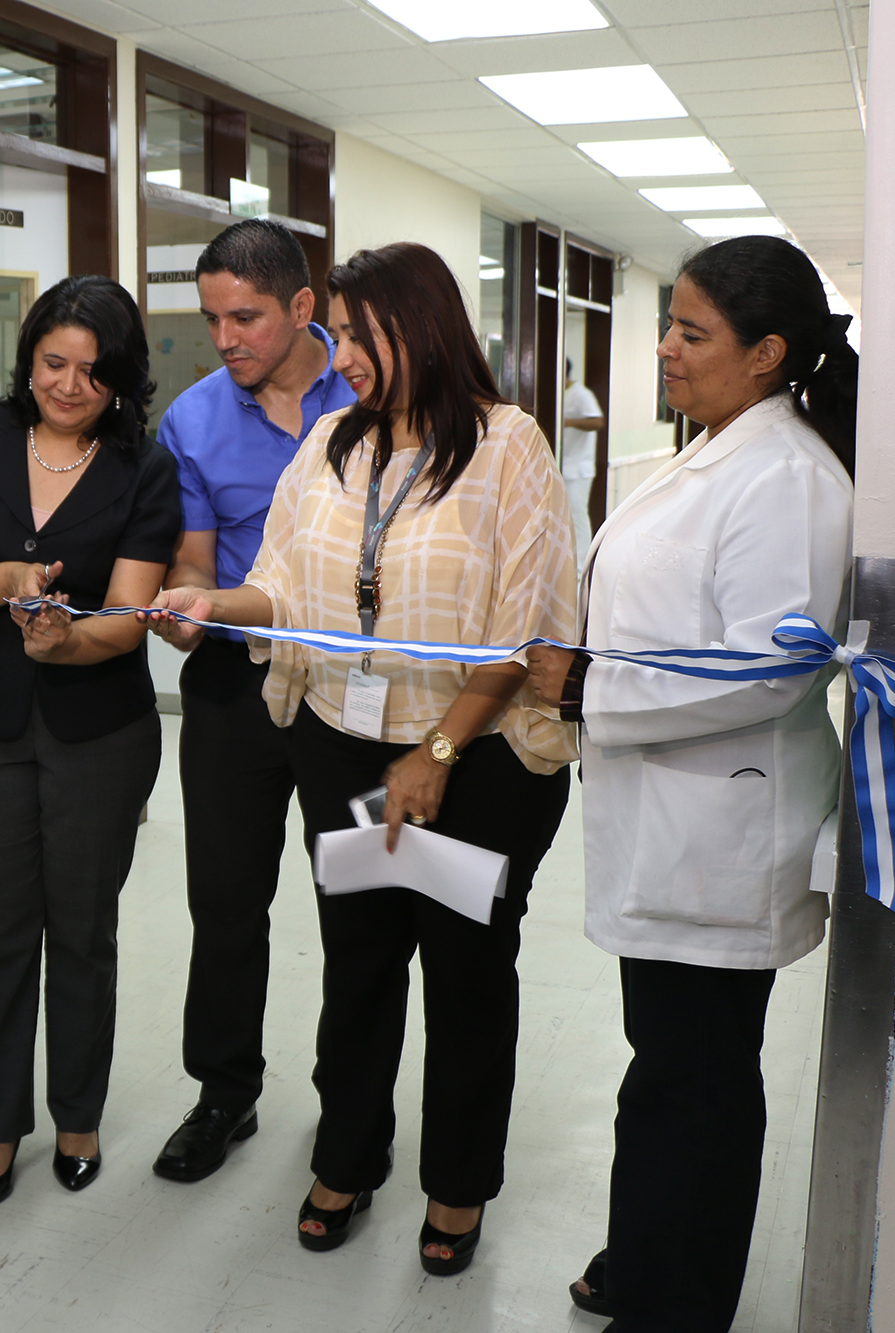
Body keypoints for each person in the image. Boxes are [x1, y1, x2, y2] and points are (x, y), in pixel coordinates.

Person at [147, 241, 577, 1270]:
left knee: (468, 981)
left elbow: (529, 634)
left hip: (472, 770)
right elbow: (284, 586)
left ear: (418, 327)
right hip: (342, 753)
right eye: (335, 333)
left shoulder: (506, 446)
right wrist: (209, 603)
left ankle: (457, 1186)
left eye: (356, 334)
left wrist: (433, 749)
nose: (339, 354)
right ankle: (348, 1153)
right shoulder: (334, 442)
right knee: (359, 965)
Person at [526, 235, 858, 1333]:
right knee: (666, 1069)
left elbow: (770, 662)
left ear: (765, 351)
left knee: (696, 1083)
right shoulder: (714, 449)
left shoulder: (786, 476)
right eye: (665, 323)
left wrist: (586, 688)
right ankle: (641, 1256)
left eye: (687, 331)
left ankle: (672, 1305)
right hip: (671, 818)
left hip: (717, 834)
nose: (662, 347)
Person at [0, 275, 181, 1209]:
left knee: (81, 930)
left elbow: (132, 614)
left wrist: (66, 639)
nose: (69, 385)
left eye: (92, 370)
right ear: (28, 359)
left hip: (97, 727)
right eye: (53, 363)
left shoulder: (143, 468)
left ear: (120, 381)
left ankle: (78, 1115)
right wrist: (10, 582)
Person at [149, 218, 357, 1184]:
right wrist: (185, 615)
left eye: (248, 317)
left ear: (302, 309)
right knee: (226, 900)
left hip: (352, 688)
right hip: (233, 680)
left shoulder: (366, 394)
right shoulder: (192, 419)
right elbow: (196, 560)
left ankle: (352, 1106)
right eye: (212, 319)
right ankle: (223, 1091)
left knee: (356, 900)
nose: (226, 338)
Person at [562, 358, 605, 561]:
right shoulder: (559, 393)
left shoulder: (581, 394)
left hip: (578, 469)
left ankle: (582, 567)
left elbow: (597, 421)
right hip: (564, 467)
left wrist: (568, 422)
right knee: (565, 517)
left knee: (577, 517)